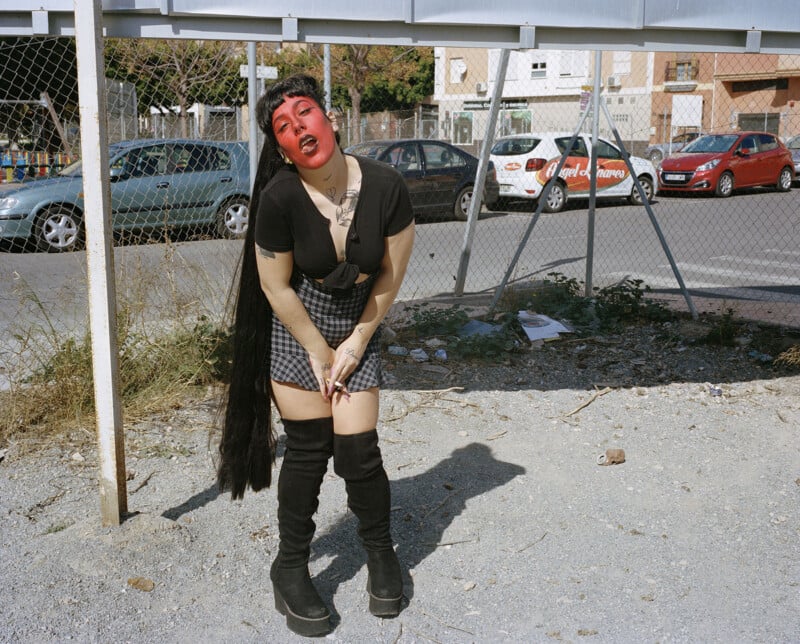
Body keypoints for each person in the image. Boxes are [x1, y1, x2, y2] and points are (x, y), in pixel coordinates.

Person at [217, 74, 414, 637]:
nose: (298, 127)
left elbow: (390, 274)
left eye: (304, 112)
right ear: (281, 148)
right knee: (308, 449)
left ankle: (381, 553)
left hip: (359, 321)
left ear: (329, 119)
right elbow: (274, 285)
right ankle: (290, 567)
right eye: (283, 126)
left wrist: (355, 342)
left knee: (357, 453)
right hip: (297, 323)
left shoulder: (386, 185)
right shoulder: (279, 198)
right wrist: (316, 349)